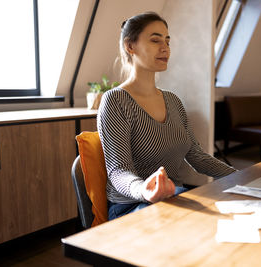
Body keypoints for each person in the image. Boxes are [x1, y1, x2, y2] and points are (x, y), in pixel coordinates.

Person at [97, 12, 237, 220]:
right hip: (131, 206)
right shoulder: (115, 101)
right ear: (130, 46)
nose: (165, 48)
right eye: (155, 40)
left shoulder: (173, 101)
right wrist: (145, 189)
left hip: (173, 199)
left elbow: (197, 156)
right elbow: (119, 171)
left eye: (167, 41)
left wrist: (241, 176)